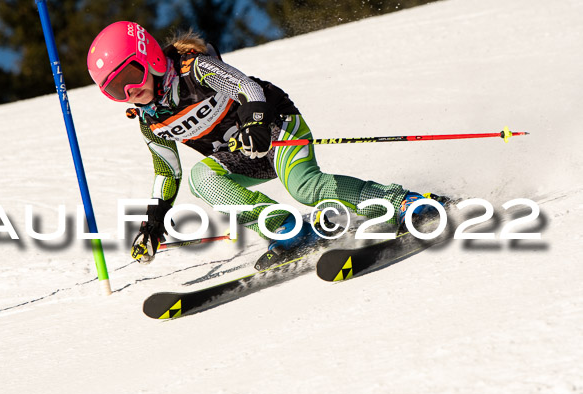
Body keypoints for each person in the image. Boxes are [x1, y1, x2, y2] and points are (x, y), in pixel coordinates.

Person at [86, 21, 445, 264]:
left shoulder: (194, 69)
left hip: (275, 127)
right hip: (242, 156)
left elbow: (247, 88)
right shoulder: (151, 121)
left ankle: (403, 202)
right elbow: (167, 173)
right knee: (200, 178)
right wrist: (152, 223)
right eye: (117, 90)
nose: (131, 92)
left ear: (147, 55)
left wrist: (255, 123)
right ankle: (286, 231)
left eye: (131, 76)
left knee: (305, 186)